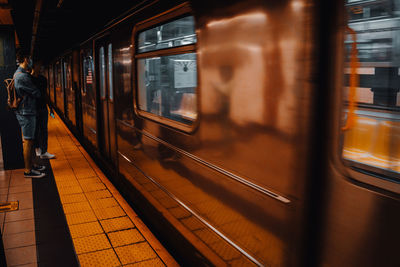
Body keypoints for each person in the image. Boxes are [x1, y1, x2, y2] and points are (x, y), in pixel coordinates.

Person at [14, 50, 46, 178]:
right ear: (26, 59)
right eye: (30, 59)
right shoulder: (23, 76)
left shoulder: (20, 74)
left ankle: (32, 165)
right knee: (28, 141)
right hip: (26, 112)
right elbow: (37, 93)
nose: (31, 62)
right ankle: (28, 170)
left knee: (30, 140)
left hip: (26, 111)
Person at [31, 61, 55, 159]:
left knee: (44, 130)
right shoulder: (28, 79)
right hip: (33, 109)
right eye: (39, 64)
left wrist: (51, 108)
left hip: (42, 108)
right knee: (35, 130)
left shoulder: (43, 79)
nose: (40, 66)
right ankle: (37, 149)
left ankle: (44, 151)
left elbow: (45, 94)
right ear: (34, 66)